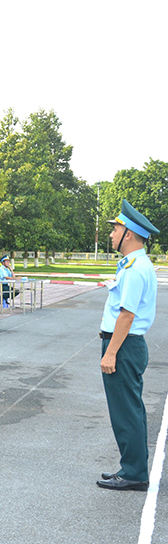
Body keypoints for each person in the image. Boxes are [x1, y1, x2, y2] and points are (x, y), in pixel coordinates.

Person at [96, 200, 159, 491]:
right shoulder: (134, 265)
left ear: (129, 234)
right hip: (127, 345)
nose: (111, 234)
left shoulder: (135, 268)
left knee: (126, 411)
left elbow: (127, 314)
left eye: (116, 229)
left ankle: (134, 472)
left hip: (123, 346)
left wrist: (111, 352)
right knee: (128, 409)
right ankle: (131, 466)